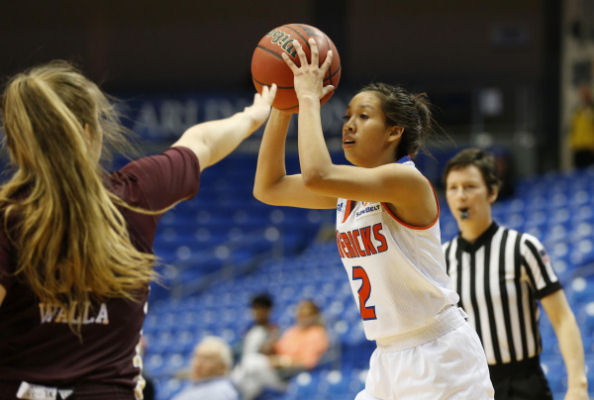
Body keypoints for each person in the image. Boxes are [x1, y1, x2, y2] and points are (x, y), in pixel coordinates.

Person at [0, 60, 276, 400]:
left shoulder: (8, 217)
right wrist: (252, 116)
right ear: (90, 133)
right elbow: (202, 142)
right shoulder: (137, 194)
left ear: (15, 146)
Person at [253, 38, 494, 400]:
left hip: (439, 355)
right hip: (387, 356)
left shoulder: (406, 180)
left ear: (394, 132)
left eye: (363, 117)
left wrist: (306, 98)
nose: (348, 125)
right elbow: (268, 187)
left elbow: (317, 174)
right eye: (347, 116)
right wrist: (284, 103)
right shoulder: (349, 192)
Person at [442, 148, 589, 400]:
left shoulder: (522, 248)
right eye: (453, 188)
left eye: (469, 186)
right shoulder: (441, 259)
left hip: (522, 385)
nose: (460, 196)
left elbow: (563, 318)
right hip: (470, 387)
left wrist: (578, 385)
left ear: (492, 192)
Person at [232, 299, 329, 400]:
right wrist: (269, 346)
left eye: (306, 314)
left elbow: (308, 363)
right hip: (276, 372)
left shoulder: (317, 333)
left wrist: (282, 361)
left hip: (290, 379)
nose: (301, 317)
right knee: (251, 384)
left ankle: (230, 383)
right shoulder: (293, 331)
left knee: (251, 361)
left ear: (314, 315)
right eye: (300, 313)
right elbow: (278, 348)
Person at [172, 336, 239, 400]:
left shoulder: (220, 391)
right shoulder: (194, 386)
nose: (198, 364)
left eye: (207, 359)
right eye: (197, 357)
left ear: (222, 367)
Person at [236, 293, 279, 361]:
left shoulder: (274, 330)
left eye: (262, 308)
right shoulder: (248, 331)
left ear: (269, 310)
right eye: (255, 308)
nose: (258, 312)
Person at [568, 84, 594, 168]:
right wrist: (573, 144)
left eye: (585, 93)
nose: (583, 96)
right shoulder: (577, 110)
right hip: (578, 147)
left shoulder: (592, 109)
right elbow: (573, 128)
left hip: (589, 147)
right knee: (578, 171)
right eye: (581, 94)